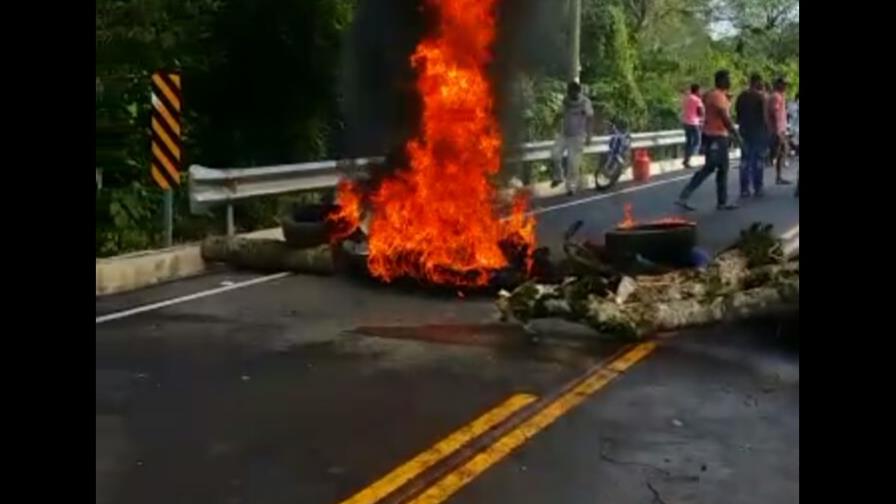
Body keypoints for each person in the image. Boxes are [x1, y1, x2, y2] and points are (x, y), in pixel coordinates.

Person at [676, 70, 742, 211]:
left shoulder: (713, 95)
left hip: (712, 135)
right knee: (711, 168)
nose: (730, 82)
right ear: (721, 80)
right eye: (728, 79)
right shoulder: (718, 96)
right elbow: (726, 119)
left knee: (721, 169)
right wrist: (737, 137)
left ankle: (722, 202)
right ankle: (684, 196)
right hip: (716, 137)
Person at [551, 81, 594, 195]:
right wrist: (553, 125)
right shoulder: (565, 102)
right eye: (570, 93)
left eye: (575, 93)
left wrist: (589, 135)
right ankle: (558, 176)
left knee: (573, 164)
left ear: (579, 92)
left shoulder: (585, 102)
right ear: (568, 92)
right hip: (564, 134)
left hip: (577, 137)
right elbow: (559, 114)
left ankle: (571, 187)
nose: (573, 95)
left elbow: (590, 119)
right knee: (555, 155)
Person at [735, 73, 769, 198]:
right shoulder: (761, 97)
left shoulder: (741, 97)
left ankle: (744, 189)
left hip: (744, 132)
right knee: (758, 161)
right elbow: (765, 118)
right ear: (757, 82)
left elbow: (737, 115)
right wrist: (768, 132)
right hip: (758, 132)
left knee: (744, 161)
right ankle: (758, 187)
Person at [767, 77, 791, 185]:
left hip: (781, 129)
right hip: (777, 130)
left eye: (786, 84)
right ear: (778, 84)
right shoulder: (776, 96)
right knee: (780, 150)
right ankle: (770, 159)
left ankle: (778, 176)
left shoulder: (781, 96)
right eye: (783, 84)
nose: (785, 86)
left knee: (783, 151)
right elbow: (775, 113)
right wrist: (778, 131)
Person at [681, 84, 703, 168]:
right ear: (697, 90)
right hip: (694, 123)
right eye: (700, 90)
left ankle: (686, 160)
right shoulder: (697, 100)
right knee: (697, 141)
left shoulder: (686, 98)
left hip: (685, 122)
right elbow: (700, 112)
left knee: (688, 142)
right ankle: (688, 158)